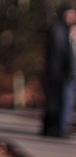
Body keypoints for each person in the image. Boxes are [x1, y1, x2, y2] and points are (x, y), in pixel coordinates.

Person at [42, 8, 76, 137]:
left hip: (59, 73)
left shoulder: (59, 29)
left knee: (55, 100)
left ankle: (52, 128)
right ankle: (61, 128)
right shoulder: (60, 30)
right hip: (62, 74)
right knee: (63, 100)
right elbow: (64, 54)